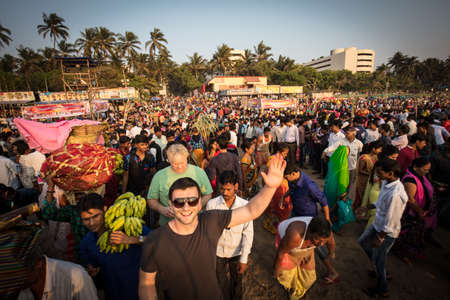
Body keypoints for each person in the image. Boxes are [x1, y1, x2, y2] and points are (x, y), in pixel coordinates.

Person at [139, 154, 286, 300]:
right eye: (179, 202)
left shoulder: (211, 221)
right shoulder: (155, 240)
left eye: (192, 201)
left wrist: (270, 187)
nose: (186, 207)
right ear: (170, 204)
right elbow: (147, 285)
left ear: (200, 203)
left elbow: (250, 210)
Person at [79, 193, 150, 300]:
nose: (92, 223)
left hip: (141, 293)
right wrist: (91, 271)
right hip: (113, 294)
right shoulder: (87, 243)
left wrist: (132, 239)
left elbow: (157, 240)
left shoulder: (127, 226)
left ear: (105, 209)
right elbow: (91, 268)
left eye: (95, 216)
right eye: (86, 219)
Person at [358, 158, 408, 298]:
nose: (377, 175)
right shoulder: (387, 182)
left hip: (386, 232)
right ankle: (378, 267)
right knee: (363, 242)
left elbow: (392, 219)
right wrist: (367, 206)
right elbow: (380, 202)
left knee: (379, 260)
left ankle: (382, 288)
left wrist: (380, 237)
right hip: (378, 224)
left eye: (380, 173)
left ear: (391, 173)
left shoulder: (396, 194)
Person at [205, 171, 253, 300]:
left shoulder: (244, 206)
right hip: (218, 252)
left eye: (228, 189)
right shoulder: (212, 205)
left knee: (237, 283)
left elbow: (248, 233)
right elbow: (208, 232)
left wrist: (244, 259)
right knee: (219, 283)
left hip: (236, 252)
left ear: (236, 186)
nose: (225, 192)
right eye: (222, 189)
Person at [147, 143, 213, 226]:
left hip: (195, 223)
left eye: (182, 163)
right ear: (168, 161)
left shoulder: (199, 172)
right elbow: (151, 200)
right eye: (175, 164)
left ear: (187, 158)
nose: (179, 167)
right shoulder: (159, 176)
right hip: (168, 224)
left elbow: (208, 194)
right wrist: (162, 209)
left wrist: (197, 206)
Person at [274, 216, 333, 299]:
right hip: (288, 247)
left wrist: (331, 253)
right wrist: (275, 274)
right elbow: (280, 254)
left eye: (324, 241)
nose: (321, 244)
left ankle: (297, 292)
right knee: (285, 278)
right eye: (317, 239)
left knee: (309, 279)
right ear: (309, 231)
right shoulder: (295, 235)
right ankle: (290, 289)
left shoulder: (326, 233)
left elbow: (331, 243)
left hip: (303, 248)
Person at [392, 157, 437, 262]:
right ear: (416, 167)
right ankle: (402, 253)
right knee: (406, 235)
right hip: (410, 213)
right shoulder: (410, 180)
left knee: (415, 235)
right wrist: (420, 211)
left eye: (428, 169)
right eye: (425, 169)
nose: (427, 172)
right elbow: (411, 200)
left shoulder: (421, 177)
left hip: (418, 213)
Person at [18, 244, 99, 300]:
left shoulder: (76, 277)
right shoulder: (19, 288)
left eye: (20, 273)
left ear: (38, 263)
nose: (14, 280)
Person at [322, 127, 363, 198]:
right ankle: (340, 200)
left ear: (354, 134)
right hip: (342, 168)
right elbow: (333, 147)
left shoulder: (359, 143)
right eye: (346, 133)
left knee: (350, 185)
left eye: (348, 133)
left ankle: (347, 201)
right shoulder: (342, 141)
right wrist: (325, 151)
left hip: (352, 168)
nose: (346, 135)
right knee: (342, 185)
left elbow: (359, 154)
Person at [263, 143, 291, 234]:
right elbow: (267, 171)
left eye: (286, 154)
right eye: (284, 153)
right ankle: (271, 225)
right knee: (273, 205)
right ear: (279, 151)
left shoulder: (282, 159)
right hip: (275, 185)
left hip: (281, 184)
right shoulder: (272, 159)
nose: (285, 155)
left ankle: (277, 225)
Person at [354, 140, 383, 210]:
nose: (380, 151)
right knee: (360, 198)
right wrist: (371, 174)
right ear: (373, 149)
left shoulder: (376, 157)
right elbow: (360, 170)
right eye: (379, 149)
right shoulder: (364, 158)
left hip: (370, 181)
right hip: (363, 181)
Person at [360, 161, 382, 230]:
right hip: (376, 194)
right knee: (374, 215)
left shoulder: (374, 173)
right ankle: (366, 234)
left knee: (372, 215)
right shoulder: (378, 174)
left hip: (373, 193)